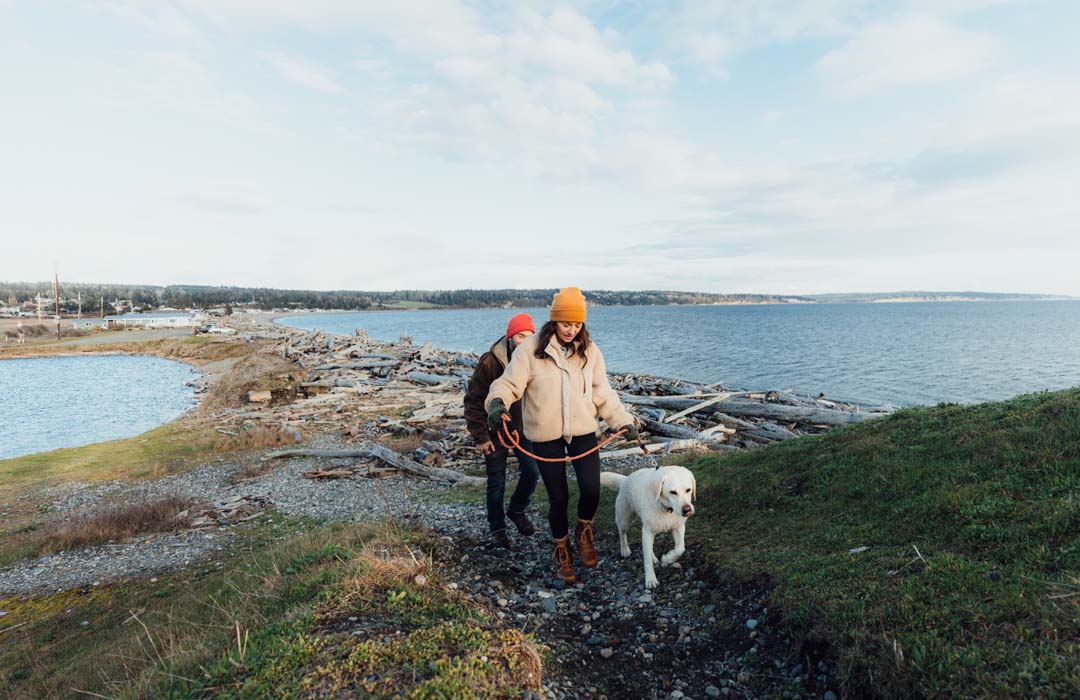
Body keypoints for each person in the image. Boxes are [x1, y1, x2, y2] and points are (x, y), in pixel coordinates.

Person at [485, 288, 639, 583]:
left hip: (582, 431)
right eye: (566, 323)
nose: (571, 330)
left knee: (591, 490)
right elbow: (508, 384)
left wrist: (623, 421)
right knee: (559, 497)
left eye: (577, 324)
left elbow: (602, 391)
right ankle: (562, 549)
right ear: (554, 320)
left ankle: (584, 532)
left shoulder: (590, 351)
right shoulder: (529, 349)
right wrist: (496, 404)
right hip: (545, 435)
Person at [463, 313, 542, 549]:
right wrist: (481, 436)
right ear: (510, 338)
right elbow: (473, 401)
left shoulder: (536, 359)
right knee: (496, 481)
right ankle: (497, 529)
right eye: (520, 336)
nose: (524, 341)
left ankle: (516, 510)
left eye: (529, 336)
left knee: (532, 472)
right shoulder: (490, 362)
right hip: (493, 431)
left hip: (524, 430)